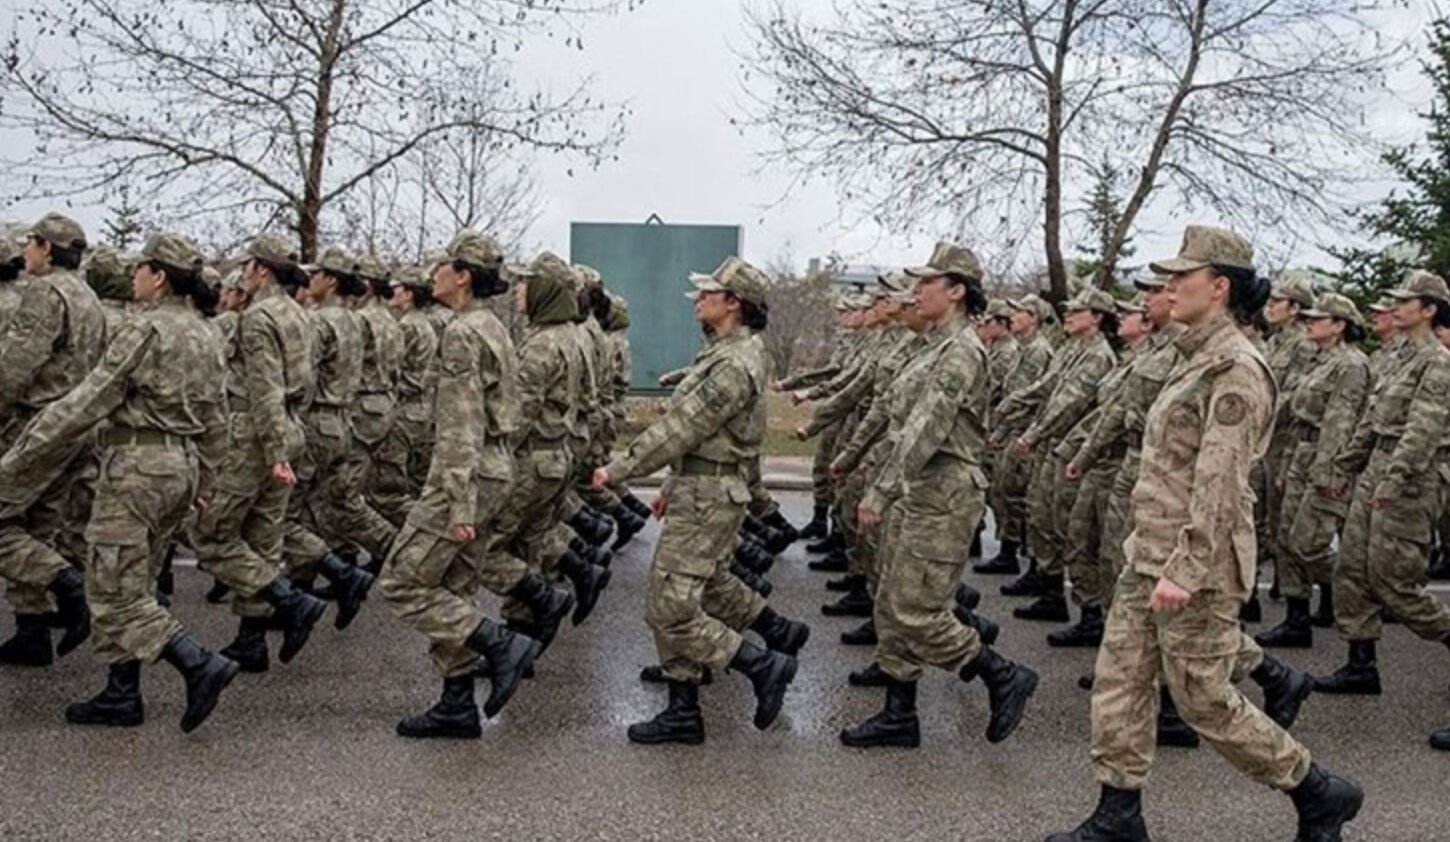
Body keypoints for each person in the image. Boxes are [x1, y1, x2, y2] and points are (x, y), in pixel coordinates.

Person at [1047, 225, 1361, 842]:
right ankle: (1119, 813)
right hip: (1150, 555)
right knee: (1121, 682)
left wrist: (1183, 571)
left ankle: (1318, 789)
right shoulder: (1191, 358)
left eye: (1179, 277)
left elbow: (1219, 484)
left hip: (1198, 565)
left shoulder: (1237, 369)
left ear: (1217, 287)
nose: (1167, 288)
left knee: (1203, 701)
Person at [0, 232, 238, 731]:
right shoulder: (204, 332)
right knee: (138, 580)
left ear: (158, 276)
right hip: (182, 466)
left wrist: (19, 457)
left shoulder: (145, 330)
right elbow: (219, 417)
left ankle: (197, 662)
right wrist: (208, 480)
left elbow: (88, 400)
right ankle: (120, 691)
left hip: (137, 467)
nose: (133, 276)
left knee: (111, 588)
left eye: (140, 269)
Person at [592, 256, 802, 745]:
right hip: (698, 488)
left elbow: (683, 426)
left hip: (709, 497)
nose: (698, 300)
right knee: (685, 595)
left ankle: (762, 664)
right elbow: (699, 436)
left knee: (669, 606)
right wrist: (669, 485)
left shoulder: (734, 363)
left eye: (709, 293)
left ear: (735, 303)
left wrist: (620, 469)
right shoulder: (725, 352)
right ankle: (682, 710)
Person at [840, 242, 1038, 749]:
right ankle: (899, 714)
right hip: (920, 486)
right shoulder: (933, 346)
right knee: (891, 600)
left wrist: (881, 490)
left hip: (945, 490)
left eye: (927, 283)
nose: (917, 291)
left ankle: (1000, 672)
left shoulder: (961, 351)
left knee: (915, 608)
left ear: (955, 291)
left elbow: (929, 426)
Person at [378, 230, 568, 739]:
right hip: (495, 469)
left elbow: (462, 423)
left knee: (401, 580)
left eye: (443, 264)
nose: (433, 273)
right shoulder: (493, 326)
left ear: (461, 275)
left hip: (467, 473)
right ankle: (456, 703)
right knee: (453, 583)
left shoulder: (463, 333)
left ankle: (501, 644)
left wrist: (458, 503)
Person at [1314, 273, 1450, 720]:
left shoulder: (1437, 362)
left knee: (1396, 584)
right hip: (1378, 466)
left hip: (1411, 476)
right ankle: (1360, 665)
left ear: (1428, 309)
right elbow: (1374, 420)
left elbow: (1422, 431)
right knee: (1352, 569)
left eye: (1404, 301)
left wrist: (1394, 480)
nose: (1394, 307)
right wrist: (1346, 467)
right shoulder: (1397, 357)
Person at [191, 234, 329, 673]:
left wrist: (273, 450)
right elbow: (301, 386)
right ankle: (251, 640)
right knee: (262, 536)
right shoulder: (301, 315)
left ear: (262, 270)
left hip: (255, 435)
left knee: (210, 534)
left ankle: (290, 602)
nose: (245, 271)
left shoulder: (258, 318)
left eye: (250, 263)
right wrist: (287, 439)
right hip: (288, 429)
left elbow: (263, 389)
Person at [0, 213, 104, 667]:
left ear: (47, 247)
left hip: (38, 424)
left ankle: (69, 587)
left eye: (32, 244)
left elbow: (16, 367)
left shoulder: (46, 292)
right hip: (76, 425)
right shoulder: (90, 297)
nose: (26, 252)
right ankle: (32, 629)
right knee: (36, 525)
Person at [1256, 293, 1370, 647]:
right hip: (1301, 452)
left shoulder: (1350, 364)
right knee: (1288, 539)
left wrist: (1330, 475)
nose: (1310, 322)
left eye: (1319, 319)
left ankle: (1358, 594)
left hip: (1324, 456)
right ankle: (1297, 617)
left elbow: (1338, 424)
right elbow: (1297, 419)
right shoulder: (1320, 361)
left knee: (1309, 542)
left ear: (1339, 326)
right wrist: (1288, 465)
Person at [977, 294, 1055, 576]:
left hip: (1022, 430)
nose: (1013, 318)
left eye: (1019, 312)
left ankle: (1020, 555)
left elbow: (1024, 400)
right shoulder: (1025, 349)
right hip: (1013, 429)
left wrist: (1003, 429)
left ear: (1034, 318)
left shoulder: (1036, 351)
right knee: (1005, 491)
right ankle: (1009, 550)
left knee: (1018, 496)